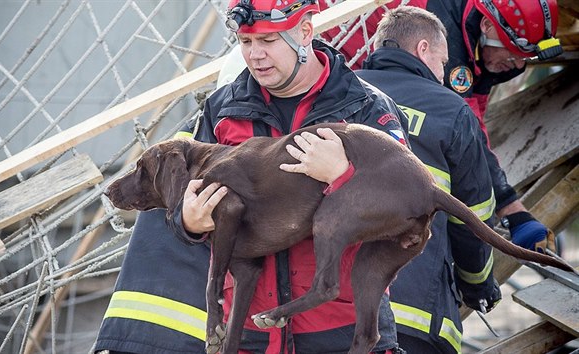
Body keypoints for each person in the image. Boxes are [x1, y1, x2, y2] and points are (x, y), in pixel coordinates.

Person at [95, 0, 409, 353]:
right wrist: (188, 221)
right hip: (249, 333)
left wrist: (342, 176)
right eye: (246, 42)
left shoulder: (366, 106)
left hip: (341, 329)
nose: (255, 55)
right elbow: (186, 204)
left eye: (269, 41)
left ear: (305, 31)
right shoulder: (222, 109)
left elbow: (405, 205)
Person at [319, 0, 558, 256]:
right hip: (337, 58)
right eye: (512, 55)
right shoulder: (442, 40)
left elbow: (474, 122)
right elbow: (467, 136)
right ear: (487, 25)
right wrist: (513, 211)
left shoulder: (476, 33)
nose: (518, 66)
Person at [353, 6, 504, 353]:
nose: (443, 73)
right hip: (415, 318)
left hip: (333, 318)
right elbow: (474, 216)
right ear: (422, 50)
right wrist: (479, 285)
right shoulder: (451, 110)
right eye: (442, 61)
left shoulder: (339, 94)